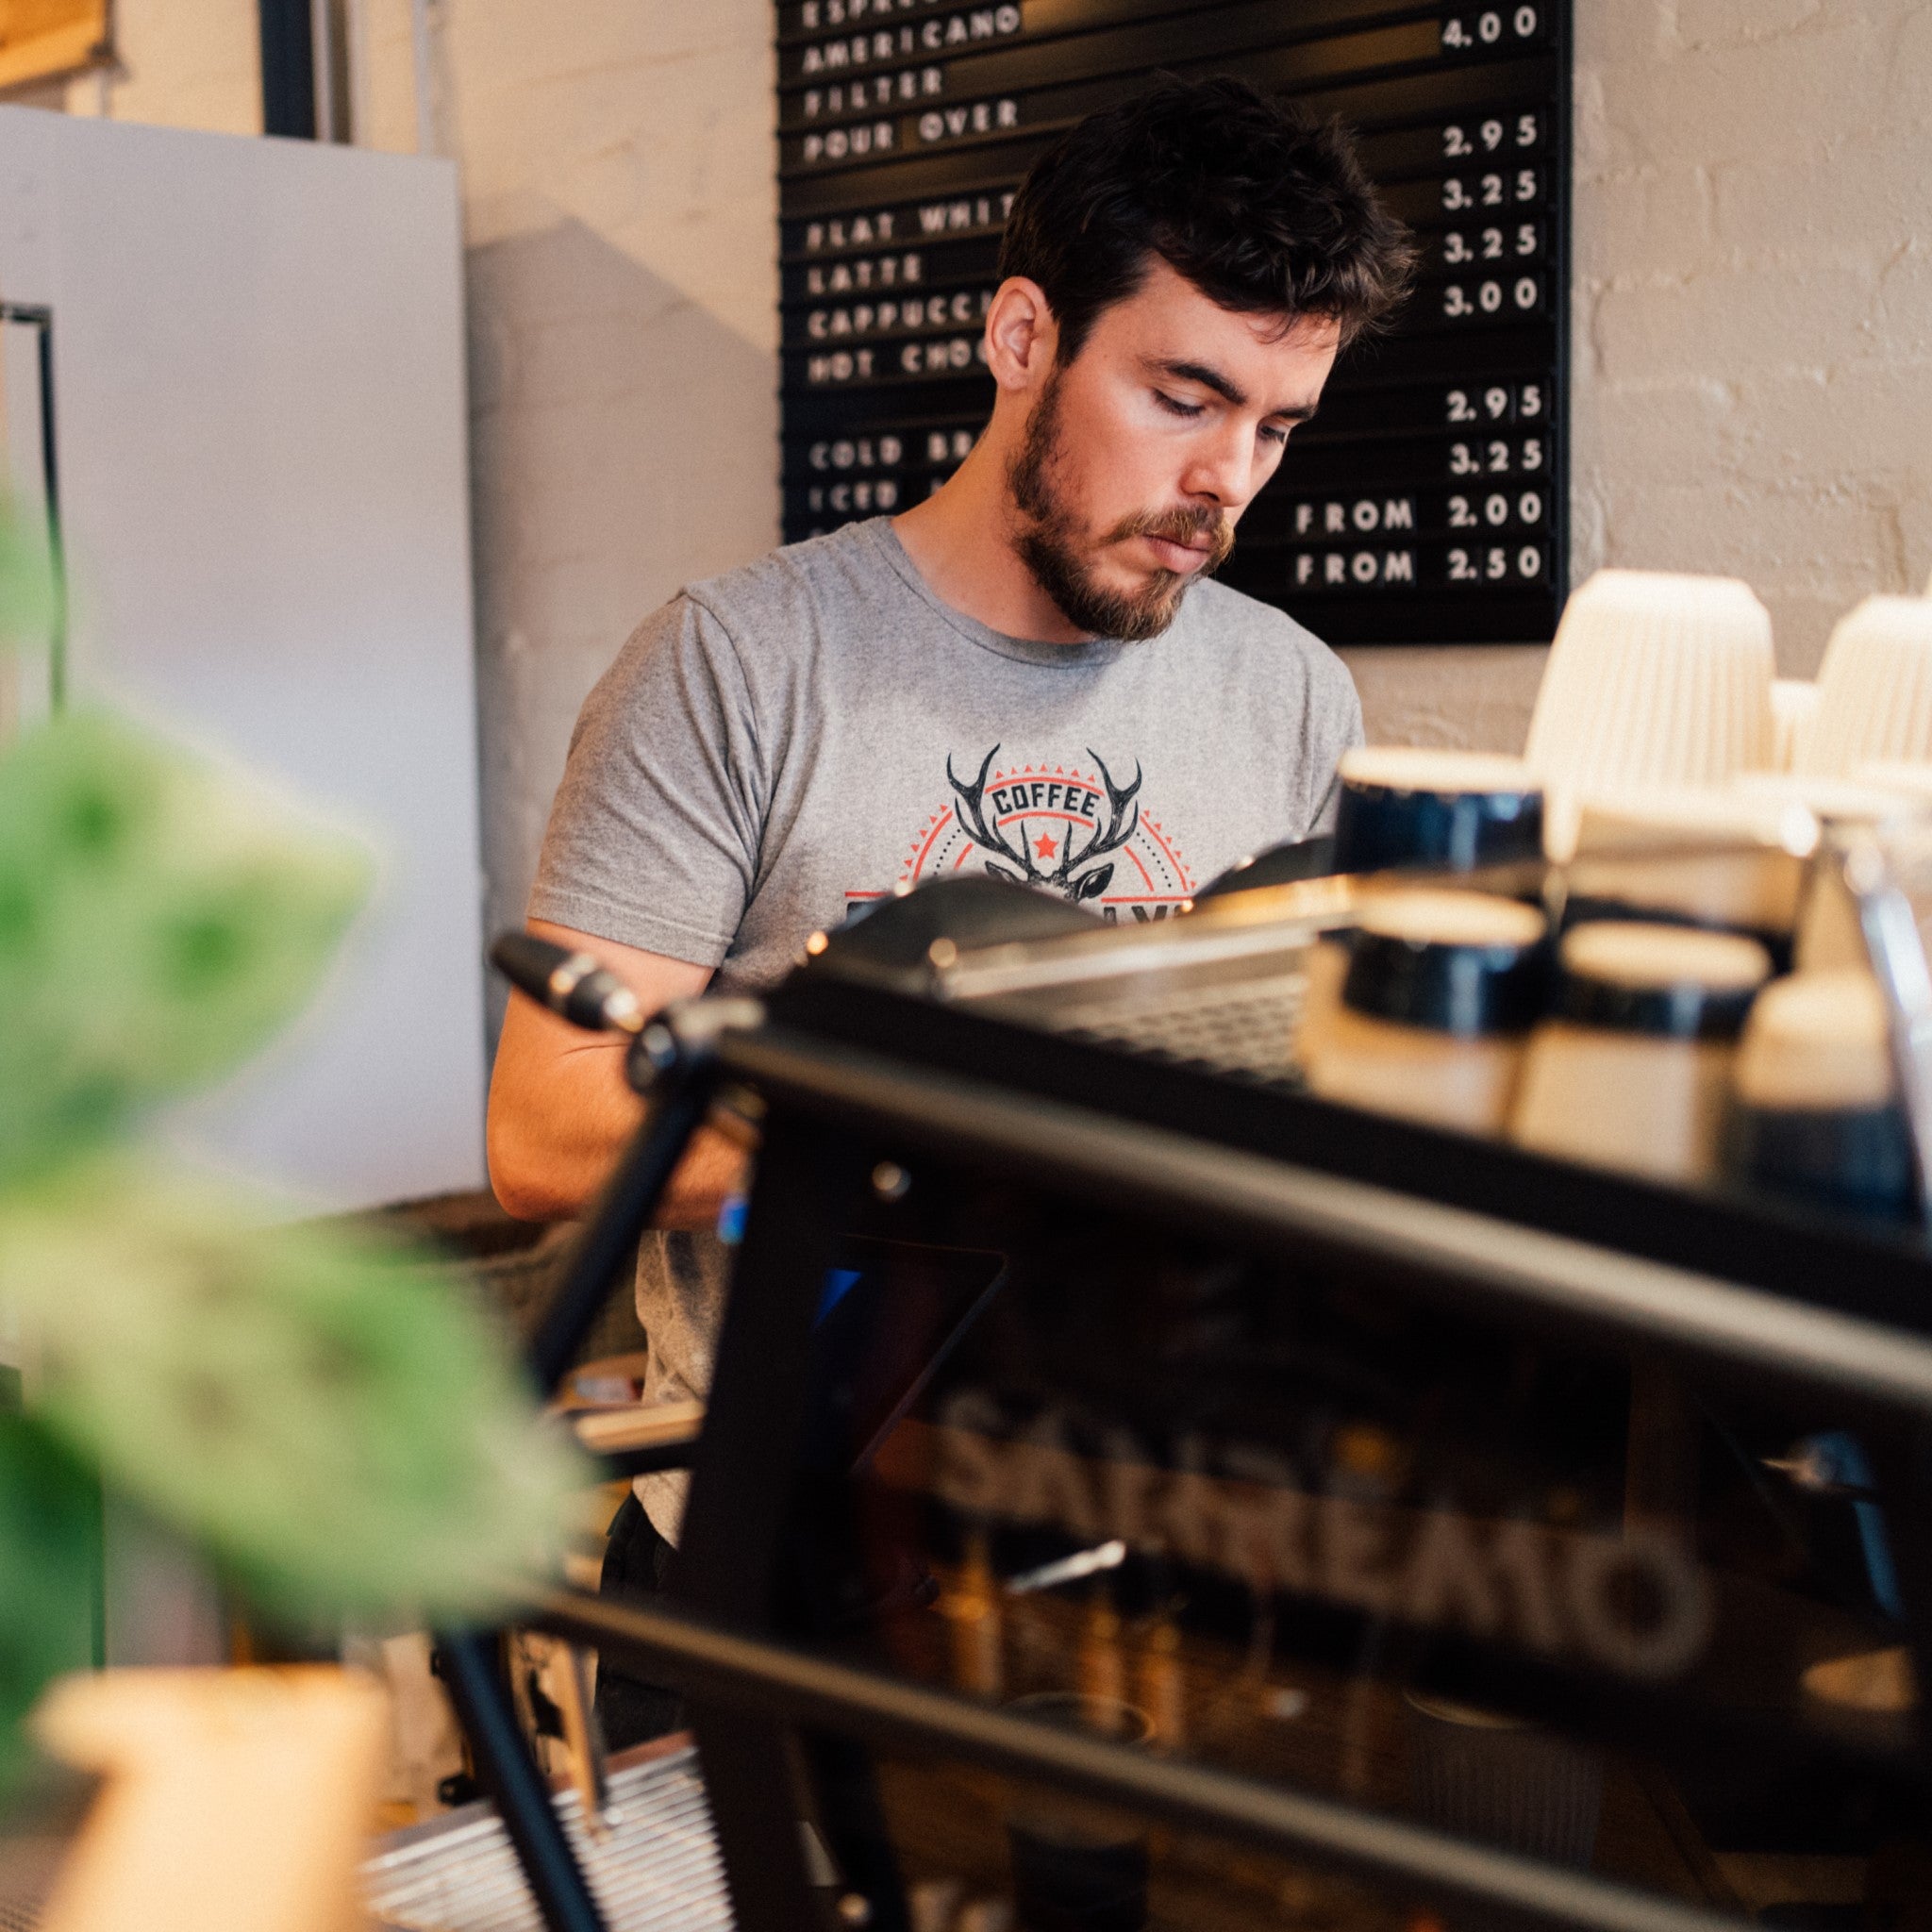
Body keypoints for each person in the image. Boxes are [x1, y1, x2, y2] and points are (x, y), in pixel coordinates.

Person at [488, 74, 1414, 1744]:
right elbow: (548, 1131)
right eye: (1180, 396)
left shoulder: (1293, 696)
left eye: (1274, 427)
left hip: (1156, 1587)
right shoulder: (740, 664)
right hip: (777, 1571)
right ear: (1020, 337)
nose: (1225, 481)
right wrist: (953, 1135)